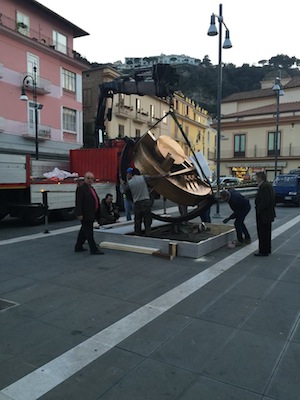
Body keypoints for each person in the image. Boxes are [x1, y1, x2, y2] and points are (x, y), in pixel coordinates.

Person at [121, 168, 168, 236]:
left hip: (137, 203)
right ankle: (148, 232)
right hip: (145, 201)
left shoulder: (130, 182)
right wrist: (163, 175)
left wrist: (123, 184)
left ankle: (137, 233)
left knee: (137, 220)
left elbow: (123, 191)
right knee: (147, 219)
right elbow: (153, 177)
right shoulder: (143, 178)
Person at [74, 171, 104, 255]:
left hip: (91, 213)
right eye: (88, 178)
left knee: (84, 231)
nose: (90, 180)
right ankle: (94, 249)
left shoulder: (91, 188)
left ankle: (78, 246)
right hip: (86, 214)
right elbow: (78, 202)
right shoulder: (81, 188)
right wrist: (79, 213)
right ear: (84, 178)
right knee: (89, 232)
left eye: (91, 179)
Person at [254, 171, 276, 256]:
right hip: (267, 213)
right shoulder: (268, 185)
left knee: (263, 233)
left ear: (260, 178)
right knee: (267, 232)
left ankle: (263, 251)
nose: (256, 179)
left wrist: (258, 210)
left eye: (256, 178)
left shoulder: (264, 187)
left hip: (264, 214)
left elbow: (264, 201)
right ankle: (267, 249)